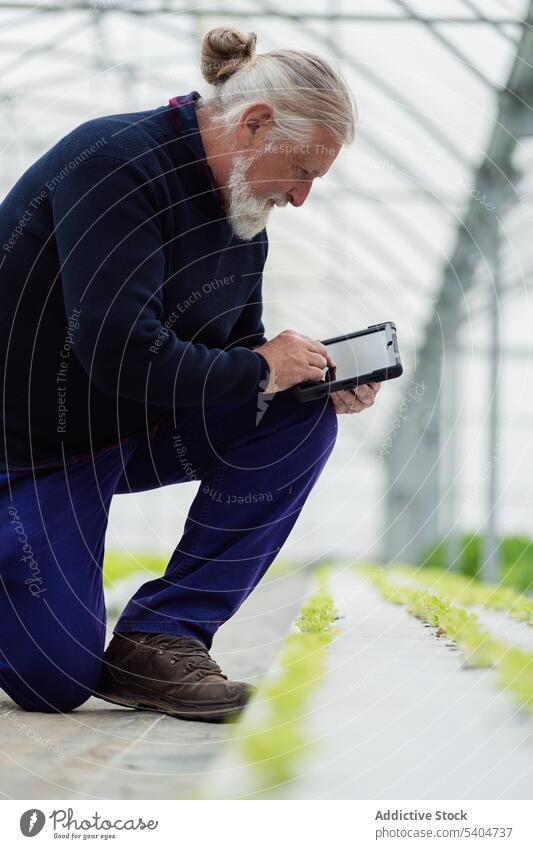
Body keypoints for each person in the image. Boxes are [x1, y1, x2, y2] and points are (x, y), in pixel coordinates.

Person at [0, 27, 380, 722]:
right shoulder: (115, 163)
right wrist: (260, 367)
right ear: (255, 124)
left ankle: (163, 634)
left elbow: (235, 353)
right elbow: (115, 348)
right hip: (26, 448)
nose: (300, 197)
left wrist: (304, 377)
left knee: (297, 415)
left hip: (118, 433)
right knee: (54, 678)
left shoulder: (244, 219)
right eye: (300, 170)